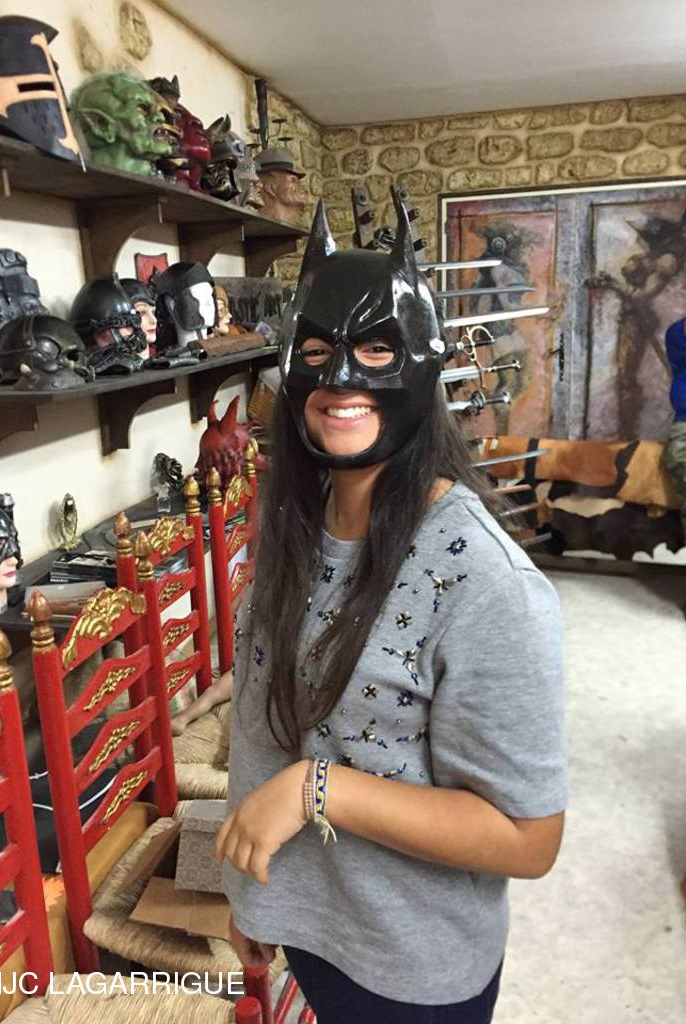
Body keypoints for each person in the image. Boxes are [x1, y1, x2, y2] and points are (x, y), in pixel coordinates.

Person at [215, 195, 568, 1024]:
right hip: (307, 928)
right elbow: (264, 728)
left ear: (423, 364)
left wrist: (318, 791)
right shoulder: (293, 529)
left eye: (376, 349)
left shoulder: (488, 584)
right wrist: (253, 897)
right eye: (317, 352)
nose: (341, 379)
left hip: (410, 967)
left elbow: (528, 839)